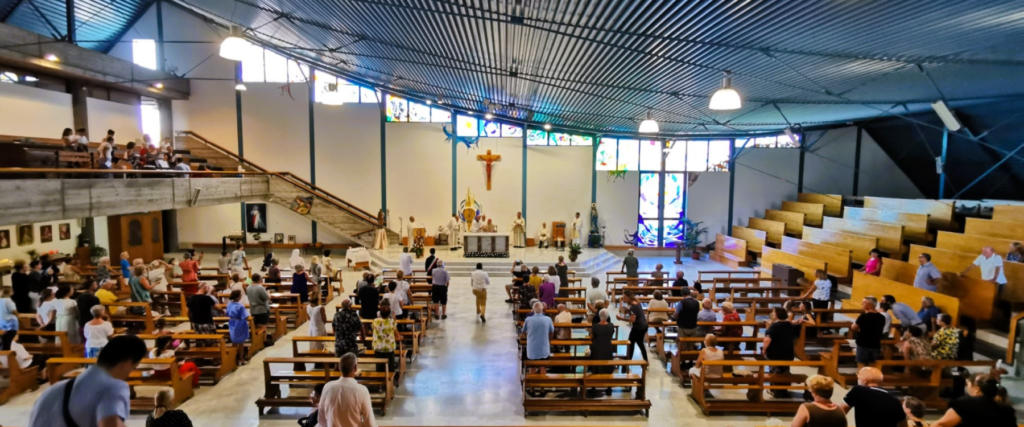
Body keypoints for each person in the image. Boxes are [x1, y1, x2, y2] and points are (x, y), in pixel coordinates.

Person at [27, 335, 149, 427]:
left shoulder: (53, 390)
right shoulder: (113, 387)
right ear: (127, 363)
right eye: (134, 367)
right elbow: (109, 424)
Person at [931, 372, 1016, 427]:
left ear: (976, 388)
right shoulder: (1007, 409)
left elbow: (940, 424)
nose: (967, 388)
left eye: (968, 384)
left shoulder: (965, 403)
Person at [318, 353, 377, 427]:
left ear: (339, 367)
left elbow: (321, 421)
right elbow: (370, 424)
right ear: (355, 368)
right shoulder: (362, 391)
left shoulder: (327, 387)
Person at [839, 367, 905, 427]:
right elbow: (903, 424)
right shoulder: (895, 400)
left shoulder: (858, 390)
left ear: (865, 380)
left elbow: (839, 413)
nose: (857, 381)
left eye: (858, 378)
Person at [762, 306, 796, 394]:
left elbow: (767, 339)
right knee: (785, 370)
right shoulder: (789, 324)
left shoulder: (774, 326)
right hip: (788, 352)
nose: (772, 313)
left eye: (773, 312)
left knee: (774, 371)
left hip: (775, 353)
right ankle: (783, 389)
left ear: (776, 315)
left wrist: (764, 349)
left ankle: (774, 390)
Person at [521, 302, 554, 375]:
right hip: (544, 348)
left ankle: (531, 383)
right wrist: (549, 341)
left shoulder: (528, 319)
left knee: (531, 367)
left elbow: (523, 331)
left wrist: (528, 338)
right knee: (543, 368)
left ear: (533, 309)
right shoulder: (548, 319)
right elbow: (551, 332)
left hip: (532, 348)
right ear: (542, 309)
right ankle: (543, 383)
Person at [851, 296, 885, 367]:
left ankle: (861, 378)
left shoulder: (863, 317)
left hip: (863, 344)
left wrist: (860, 330)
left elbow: (853, 327)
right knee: (872, 367)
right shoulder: (882, 317)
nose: (861, 304)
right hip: (875, 344)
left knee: (861, 366)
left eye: (863, 303)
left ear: (869, 305)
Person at [616, 290, 648, 362]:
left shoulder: (632, 307)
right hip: (644, 326)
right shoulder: (636, 303)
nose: (623, 298)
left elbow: (632, 320)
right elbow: (625, 310)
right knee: (639, 343)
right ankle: (645, 360)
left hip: (638, 327)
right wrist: (621, 303)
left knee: (631, 342)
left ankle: (629, 359)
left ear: (629, 297)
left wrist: (621, 319)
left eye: (625, 297)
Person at [372, 302, 400, 373]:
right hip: (389, 347)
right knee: (390, 366)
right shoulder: (391, 322)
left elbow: (374, 328)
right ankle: (390, 380)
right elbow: (397, 335)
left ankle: (379, 380)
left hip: (378, 346)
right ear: (389, 314)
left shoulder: (375, 321)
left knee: (379, 366)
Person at [674, 288, 700, 359]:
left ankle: (681, 361)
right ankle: (690, 360)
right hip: (693, 326)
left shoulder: (681, 303)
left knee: (682, 345)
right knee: (691, 345)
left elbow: (676, 314)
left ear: (682, 294)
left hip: (683, 326)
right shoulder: (696, 302)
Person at [226, 290, 249, 365]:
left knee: (234, 341)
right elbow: (245, 316)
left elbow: (227, 313)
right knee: (241, 342)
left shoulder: (229, 304)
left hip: (232, 322)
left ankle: (233, 358)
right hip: (239, 323)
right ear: (238, 297)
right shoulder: (240, 306)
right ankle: (241, 359)